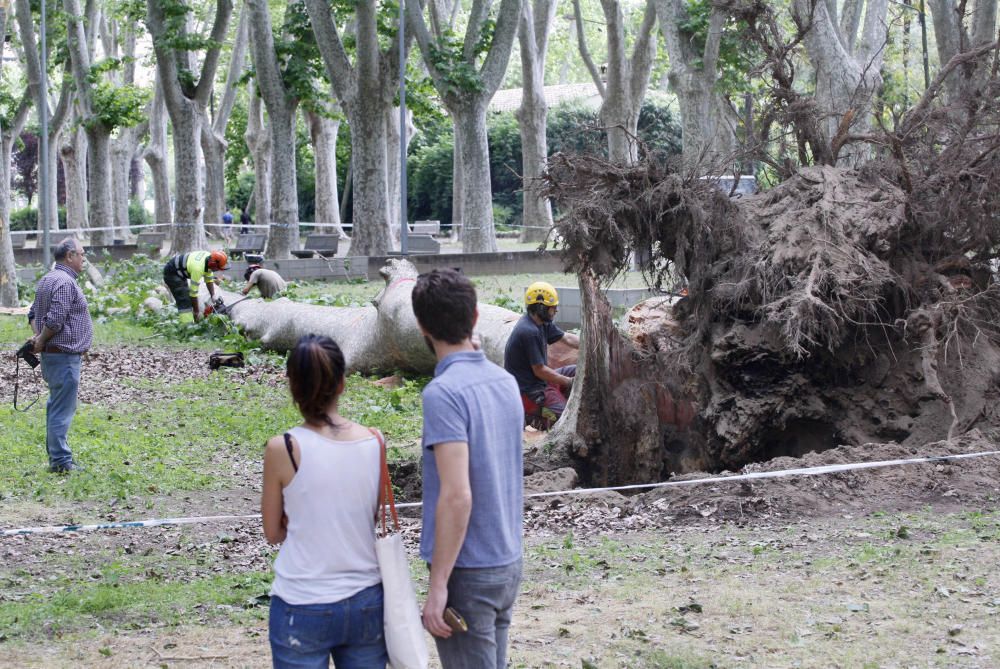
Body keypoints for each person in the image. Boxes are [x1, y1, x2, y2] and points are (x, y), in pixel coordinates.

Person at [411, 268, 525, 668]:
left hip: (469, 570)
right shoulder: (505, 381)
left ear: (421, 325)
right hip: (507, 560)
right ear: (475, 316)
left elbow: (457, 495)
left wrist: (438, 585)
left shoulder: (443, 394)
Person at [261, 334, 388, 668]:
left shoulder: (282, 449)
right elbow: (368, 516)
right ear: (343, 383)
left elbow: (272, 532)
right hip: (367, 600)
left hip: (302, 602)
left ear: (293, 386)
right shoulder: (375, 441)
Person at [27, 237, 93, 473]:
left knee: (56, 405)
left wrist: (38, 339)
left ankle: (57, 457)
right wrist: (42, 340)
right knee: (61, 409)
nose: (83, 258)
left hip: (54, 356)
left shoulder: (48, 279)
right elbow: (55, 319)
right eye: (81, 254)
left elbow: (32, 313)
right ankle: (61, 461)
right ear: (69, 256)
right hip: (63, 357)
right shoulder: (65, 282)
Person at [503, 281, 580, 427]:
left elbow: (566, 338)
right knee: (566, 417)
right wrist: (569, 382)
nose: (555, 311)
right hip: (530, 390)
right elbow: (540, 371)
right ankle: (533, 416)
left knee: (578, 370)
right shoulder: (529, 332)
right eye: (552, 308)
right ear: (540, 308)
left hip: (541, 380)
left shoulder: (542, 323)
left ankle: (557, 397)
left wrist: (591, 346)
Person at [162, 250, 228, 323]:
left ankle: (190, 320)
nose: (218, 270)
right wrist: (197, 312)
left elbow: (209, 279)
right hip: (172, 273)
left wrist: (213, 295)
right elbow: (193, 293)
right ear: (213, 265)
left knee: (187, 295)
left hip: (180, 271)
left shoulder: (209, 259)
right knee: (184, 299)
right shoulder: (198, 269)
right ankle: (187, 325)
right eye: (218, 268)